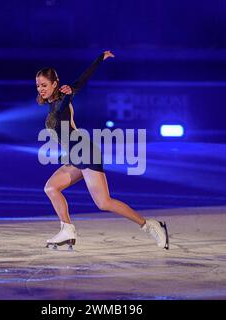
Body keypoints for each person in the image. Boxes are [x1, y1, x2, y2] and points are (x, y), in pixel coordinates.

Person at [35, 50, 169, 250]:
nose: (40, 89)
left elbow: (80, 82)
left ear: (55, 83)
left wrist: (99, 59)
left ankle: (150, 225)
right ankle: (67, 229)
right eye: (38, 85)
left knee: (104, 203)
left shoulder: (63, 98)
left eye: (44, 85)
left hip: (85, 152)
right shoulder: (53, 103)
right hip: (75, 155)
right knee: (51, 188)